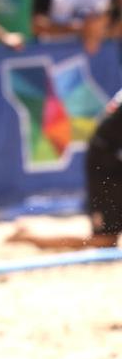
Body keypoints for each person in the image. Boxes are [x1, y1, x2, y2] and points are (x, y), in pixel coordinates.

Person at [8, 88, 122, 250]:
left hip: (110, 153)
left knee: (106, 240)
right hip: (107, 160)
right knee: (104, 241)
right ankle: (29, 236)